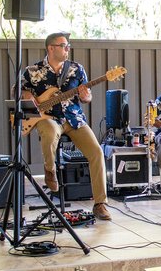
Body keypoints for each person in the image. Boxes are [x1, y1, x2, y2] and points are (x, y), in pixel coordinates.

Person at [19, 32, 111, 220]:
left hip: (74, 119)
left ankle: (100, 203)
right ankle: (50, 170)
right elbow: (18, 92)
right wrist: (28, 96)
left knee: (96, 152)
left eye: (68, 45)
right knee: (50, 130)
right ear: (51, 48)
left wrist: (86, 97)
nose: (67, 49)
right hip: (48, 118)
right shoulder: (32, 70)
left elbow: (87, 96)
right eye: (64, 45)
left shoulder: (77, 69)